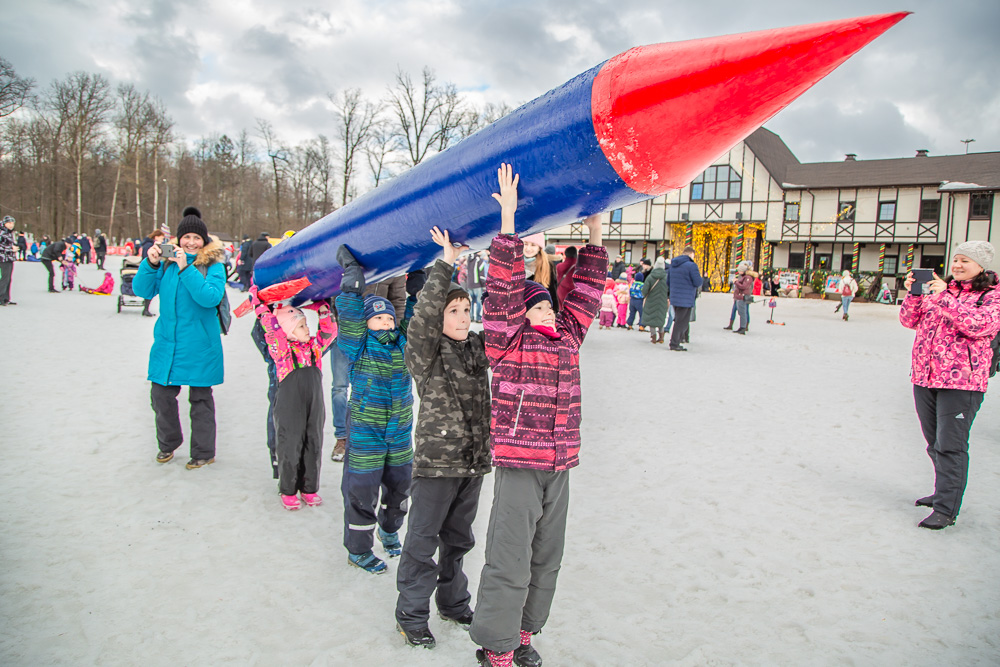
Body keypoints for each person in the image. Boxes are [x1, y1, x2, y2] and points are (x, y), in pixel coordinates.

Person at [470, 164, 608, 667]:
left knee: (547, 556)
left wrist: (594, 231)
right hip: (519, 463)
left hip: (559, 463)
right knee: (509, 555)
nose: (547, 312)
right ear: (519, 315)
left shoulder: (568, 336)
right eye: (538, 308)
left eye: (549, 306)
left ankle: (525, 632)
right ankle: (495, 644)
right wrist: (507, 218)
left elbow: (589, 293)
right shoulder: (506, 342)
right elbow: (505, 286)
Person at [393, 226, 492, 649]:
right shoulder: (426, 352)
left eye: (466, 309)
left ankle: (453, 602)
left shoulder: (479, 347)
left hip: (474, 463)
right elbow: (422, 316)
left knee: (459, 539)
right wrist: (446, 263)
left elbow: (508, 320)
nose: (462, 316)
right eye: (453, 311)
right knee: (422, 540)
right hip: (437, 464)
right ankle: (412, 614)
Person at [899, 241, 1000, 530]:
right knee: (934, 443)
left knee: (951, 446)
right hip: (924, 377)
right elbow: (909, 320)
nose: (957, 265)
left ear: (981, 265)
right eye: (955, 259)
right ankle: (943, 492)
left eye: (965, 261)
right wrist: (915, 294)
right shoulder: (940, 291)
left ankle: (946, 508)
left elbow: (979, 326)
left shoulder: (992, 296)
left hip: (962, 383)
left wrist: (945, 297)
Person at [335, 245, 416, 575]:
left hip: (399, 433)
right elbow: (352, 317)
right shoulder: (358, 345)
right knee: (362, 491)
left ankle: (390, 529)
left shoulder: (404, 342)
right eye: (377, 317)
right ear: (366, 324)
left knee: (400, 488)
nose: (385, 321)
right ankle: (358, 549)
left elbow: (415, 318)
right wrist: (352, 283)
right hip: (367, 430)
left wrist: (417, 290)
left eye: (388, 317)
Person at [133, 208, 226, 469]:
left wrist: (186, 268)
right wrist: (150, 263)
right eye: (187, 237)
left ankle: (204, 451)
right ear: (179, 239)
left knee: (200, 400)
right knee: (160, 396)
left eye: (197, 238)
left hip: (200, 345)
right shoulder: (167, 262)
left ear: (204, 240)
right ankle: (168, 443)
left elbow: (209, 298)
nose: (192, 242)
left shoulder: (213, 266)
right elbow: (142, 290)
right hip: (167, 343)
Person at [250, 289, 337, 510]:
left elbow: (330, 332)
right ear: (288, 332)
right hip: (290, 404)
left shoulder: (314, 349)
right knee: (291, 443)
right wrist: (262, 310)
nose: (307, 329)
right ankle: (288, 489)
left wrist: (324, 311)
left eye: (306, 324)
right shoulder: (283, 352)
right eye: (301, 326)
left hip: (314, 404)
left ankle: (309, 488)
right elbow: (273, 332)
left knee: (313, 442)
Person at [667, 246, 702, 351]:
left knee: (678, 320)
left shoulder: (673, 265)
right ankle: (674, 343)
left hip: (675, 296)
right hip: (686, 298)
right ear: (691, 254)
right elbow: (698, 282)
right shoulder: (692, 266)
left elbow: (668, 282)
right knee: (682, 322)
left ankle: (675, 342)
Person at [521, 233, 559, 311]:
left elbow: (552, 293)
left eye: (533, 245)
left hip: (537, 313)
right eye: (525, 244)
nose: (528, 248)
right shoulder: (513, 263)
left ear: (539, 248)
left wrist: (554, 313)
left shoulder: (546, 266)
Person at [641, 257, 669, 344]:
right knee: (660, 318)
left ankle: (653, 337)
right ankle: (661, 337)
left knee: (651, 318)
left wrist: (644, 295)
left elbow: (645, 290)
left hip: (651, 300)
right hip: (663, 301)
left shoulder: (650, 277)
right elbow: (669, 289)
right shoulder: (667, 277)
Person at [139, 229, 166, 317]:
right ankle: (146, 309)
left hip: (150, 268)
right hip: (149, 268)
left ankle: (146, 308)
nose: (162, 240)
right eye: (161, 238)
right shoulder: (150, 246)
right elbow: (147, 257)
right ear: (156, 237)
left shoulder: (148, 244)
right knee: (149, 288)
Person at [726, 261, 754, 334]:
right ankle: (741, 327)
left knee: (743, 312)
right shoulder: (744, 277)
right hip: (739, 297)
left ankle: (743, 327)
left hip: (743, 297)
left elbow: (744, 286)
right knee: (741, 312)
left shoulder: (748, 278)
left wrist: (736, 282)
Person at [0, 216, 16, 306]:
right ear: (5, 223)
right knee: (5, 278)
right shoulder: (1, 232)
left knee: (9, 278)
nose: (11, 225)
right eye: (9, 223)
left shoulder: (9, 233)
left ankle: (6, 298)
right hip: (3, 258)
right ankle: (1, 297)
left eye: (13, 223)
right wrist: (10, 248)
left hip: (9, 258)